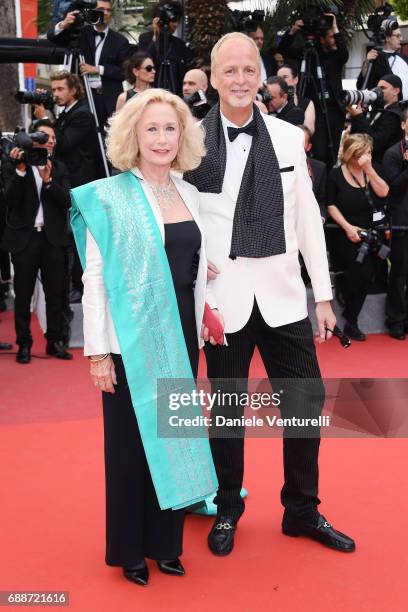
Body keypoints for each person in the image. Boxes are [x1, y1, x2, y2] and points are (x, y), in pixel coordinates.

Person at [184, 32, 355, 557]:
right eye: (228, 71)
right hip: (221, 301)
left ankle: (302, 510)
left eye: (248, 70)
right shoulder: (188, 140)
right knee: (229, 415)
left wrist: (322, 297)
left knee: (305, 407)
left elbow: (306, 222)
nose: (239, 80)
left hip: (282, 297)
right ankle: (227, 509)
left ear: (261, 76)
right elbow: (180, 219)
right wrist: (195, 291)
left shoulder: (286, 138)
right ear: (213, 78)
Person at [70, 88, 218, 586]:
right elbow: (95, 278)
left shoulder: (190, 193)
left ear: (183, 136)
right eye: (150, 128)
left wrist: (206, 312)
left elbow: (194, 268)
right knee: (130, 449)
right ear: (133, 135)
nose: (161, 138)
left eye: (170, 128)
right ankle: (130, 551)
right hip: (129, 341)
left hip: (181, 335)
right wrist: (96, 353)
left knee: (174, 441)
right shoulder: (109, 198)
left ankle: (166, 544)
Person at [0, 120, 72, 363]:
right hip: (25, 239)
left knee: (55, 293)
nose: (47, 142)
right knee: (23, 294)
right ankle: (24, 344)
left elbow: (66, 202)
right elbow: (10, 200)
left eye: (51, 138)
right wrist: (20, 170)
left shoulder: (59, 168)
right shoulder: (14, 165)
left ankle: (54, 341)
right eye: (42, 139)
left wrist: (49, 181)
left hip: (53, 239)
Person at [38, 70, 99, 303]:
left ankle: (79, 287)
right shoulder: (64, 113)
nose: (56, 94)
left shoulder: (82, 114)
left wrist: (47, 120)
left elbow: (63, 143)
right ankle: (70, 285)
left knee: (78, 238)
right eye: (53, 89)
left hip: (79, 186)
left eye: (60, 89)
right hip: (66, 183)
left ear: (73, 89)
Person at [327, 134, 389, 341]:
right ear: (349, 154)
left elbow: (384, 192)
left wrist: (369, 169)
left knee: (370, 274)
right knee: (360, 271)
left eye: (368, 153)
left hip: (373, 232)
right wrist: (347, 227)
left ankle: (351, 320)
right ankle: (344, 285)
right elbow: (330, 204)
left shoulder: (374, 169)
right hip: (346, 232)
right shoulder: (336, 174)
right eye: (360, 154)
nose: (364, 158)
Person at [278, 13, 348, 167]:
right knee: (318, 153)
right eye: (330, 36)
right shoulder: (307, 54)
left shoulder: (334, 56)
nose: (333, 39)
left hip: (333, 111)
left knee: (332, 153)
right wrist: (293, 31)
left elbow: (344, 53)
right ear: (321, 38)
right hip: (313, 110)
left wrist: (334, 27)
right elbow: (283, 49)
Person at [47, 0, 130, 128]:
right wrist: (64, 24)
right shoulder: (81, 33)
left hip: (109, 101)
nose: (106, 13)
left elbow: (124, 72)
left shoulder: (120, 41)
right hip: (83, 97)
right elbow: (53, 37)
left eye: (108, 10)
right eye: (102, 10)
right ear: (93, 11)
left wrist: (98, 69)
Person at [382, 105, 408, 340]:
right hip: (401, 222)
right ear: (403, 125)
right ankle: (396, 321)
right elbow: (393, 188)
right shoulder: (393, 153)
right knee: (399, 274)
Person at [137, 1, 190, 96]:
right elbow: (144, 63)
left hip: (174, 95)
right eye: (173, 20)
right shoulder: (145, 39)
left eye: (178, 20)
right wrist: (155, 36)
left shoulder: (179, 44)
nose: (176, 24)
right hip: (151, 93)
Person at [348, 74, 404, 164]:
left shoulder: (394, 115)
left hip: (381, 167)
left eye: (383, 88)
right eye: (377, 88)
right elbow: (356, 136)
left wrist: (359, 117)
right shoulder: (378, 110)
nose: (378, 91)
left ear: (396, 91)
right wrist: (357, 116)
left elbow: (374, 142)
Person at [357, 21, 408, 100]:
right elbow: (361, 86)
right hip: (386, 110)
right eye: (397, 36)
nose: (401, 38)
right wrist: (366, 64)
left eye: (400, 35)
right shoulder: (375, 59)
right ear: (387, 38)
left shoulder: (404, 58)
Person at [278, 64, 316, 134]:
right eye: (278, 78)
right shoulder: (273, 101)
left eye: (285, 77)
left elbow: (309, 130)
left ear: (295, 79)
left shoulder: (306, 103)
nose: (281, 81)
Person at [300, 125, 327, 222]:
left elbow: (321, 199)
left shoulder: (319, 167)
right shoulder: (277, 164)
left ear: (308, 147)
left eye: (301, 142)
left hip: (309, 222)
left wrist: (321, 218)